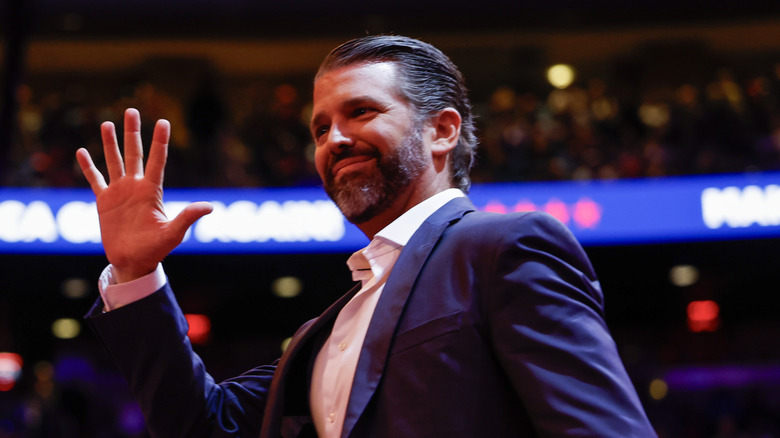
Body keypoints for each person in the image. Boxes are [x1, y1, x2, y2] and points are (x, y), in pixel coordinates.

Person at [76, 35, 657, 438]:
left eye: (360, 112)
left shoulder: (504, 248)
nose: (333, 138)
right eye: (321, 127)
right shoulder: (321, 333)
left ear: (442, 129)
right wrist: (135, 275)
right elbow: (202, 426)